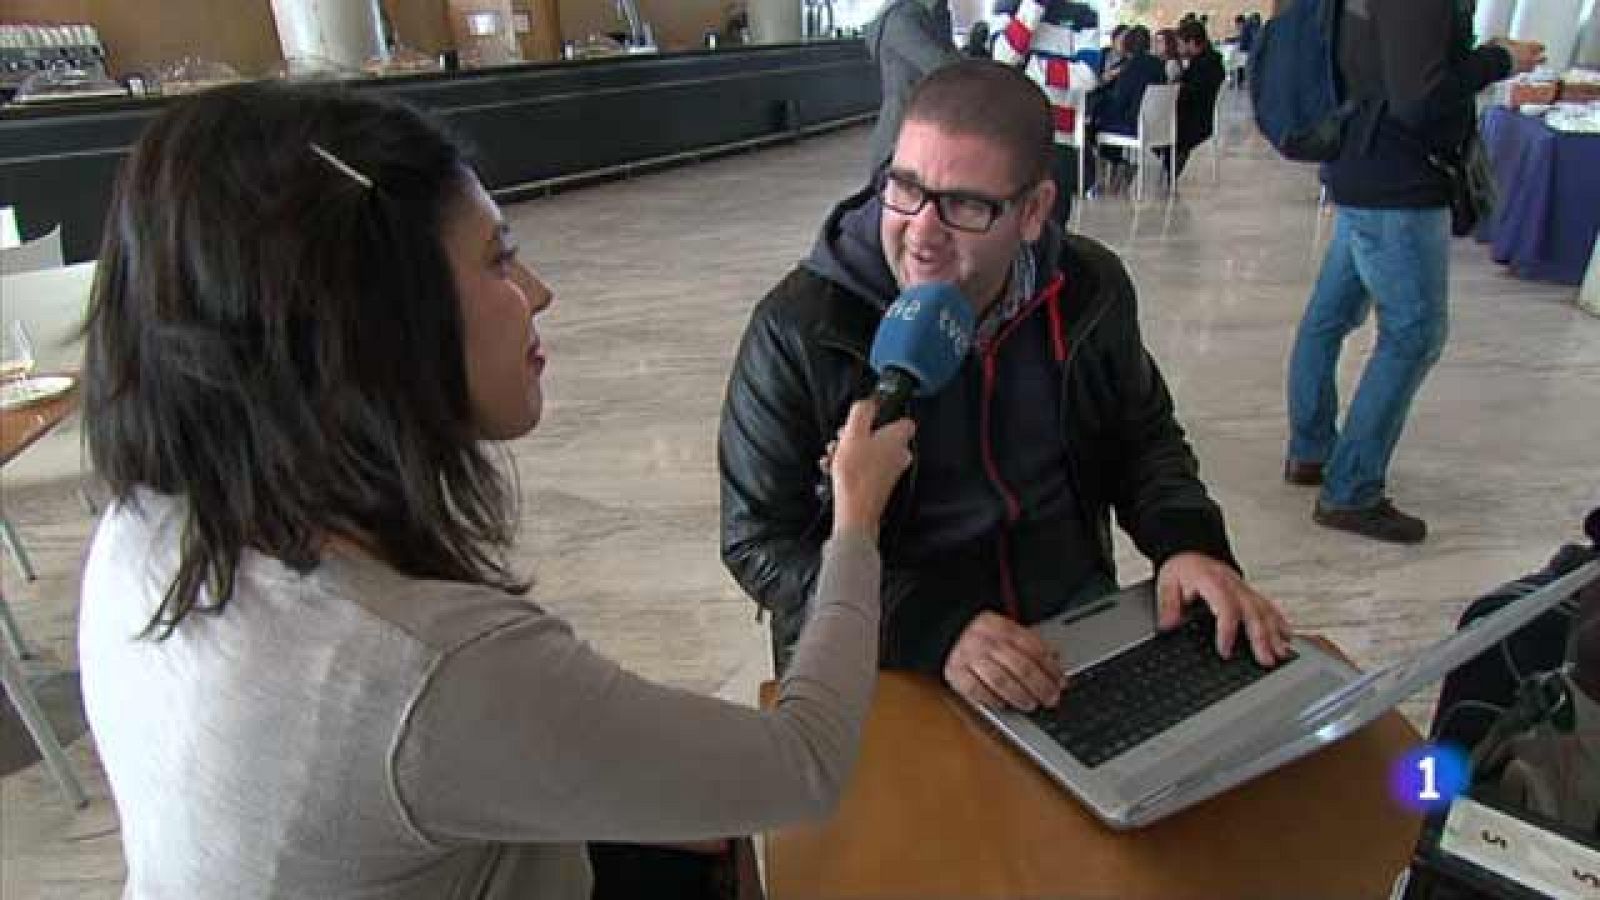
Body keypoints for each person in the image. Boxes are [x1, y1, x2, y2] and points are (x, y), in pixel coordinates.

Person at [76, 82, 916, 900]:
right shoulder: (426, 670)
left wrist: (597, 783)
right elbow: (804, 764)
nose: (540, 291)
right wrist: (854, 522)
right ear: (380, 323)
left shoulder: (141, 524)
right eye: (499, 258)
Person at [719, 60, 1293, 712]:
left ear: (1033, 211)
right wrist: (934, 627)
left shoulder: (1089, 289)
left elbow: (1142, 438)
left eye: (965, 204)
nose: (921, 233)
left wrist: (1187, 543)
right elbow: (757, 540)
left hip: (1067, 624)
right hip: (889, 642)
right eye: (904, 187)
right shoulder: (800, 329)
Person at [1284, 1, 1542, 544]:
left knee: (1329, 318)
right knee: (1415, 332)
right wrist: (1499, 59)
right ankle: (1350, 490)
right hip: (1397, 180)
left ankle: (1311, 452)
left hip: (1359, 161)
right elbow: (1419, 99)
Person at [991, 0, 1101, 223]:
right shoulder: (1007, 8)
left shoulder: (1083, 16)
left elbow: (1088, 75)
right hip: (1012, 134)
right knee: (1008, 222)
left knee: (1053, 226)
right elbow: (1003, 59)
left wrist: (1032, 68)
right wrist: (1033, 7)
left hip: (1059, 136)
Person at [865, 0, 960, 174]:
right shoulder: (899, 18)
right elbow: (938, 63)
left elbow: (950, 58)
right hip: (901, 119)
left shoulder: (926, 16)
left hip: (925, 112)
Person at [1090, 25, 1166, 193]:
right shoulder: (1159, 65)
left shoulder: (1131, 67)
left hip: (1134, 123)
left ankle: (1114, 165)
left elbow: (1120, 100)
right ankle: (1119, 165)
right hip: (1157, 125)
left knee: (1096, 123)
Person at [1169, 19, 1225, 179]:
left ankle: (1170, 171)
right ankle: (1170, 170)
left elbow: (1190, 92)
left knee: (1159, 128)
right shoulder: (1210, 61)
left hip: (1196, 123)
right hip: (1203, 117)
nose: (1178, 49)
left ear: (1192, 42)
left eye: (1180, 44)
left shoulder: (1204, 66)